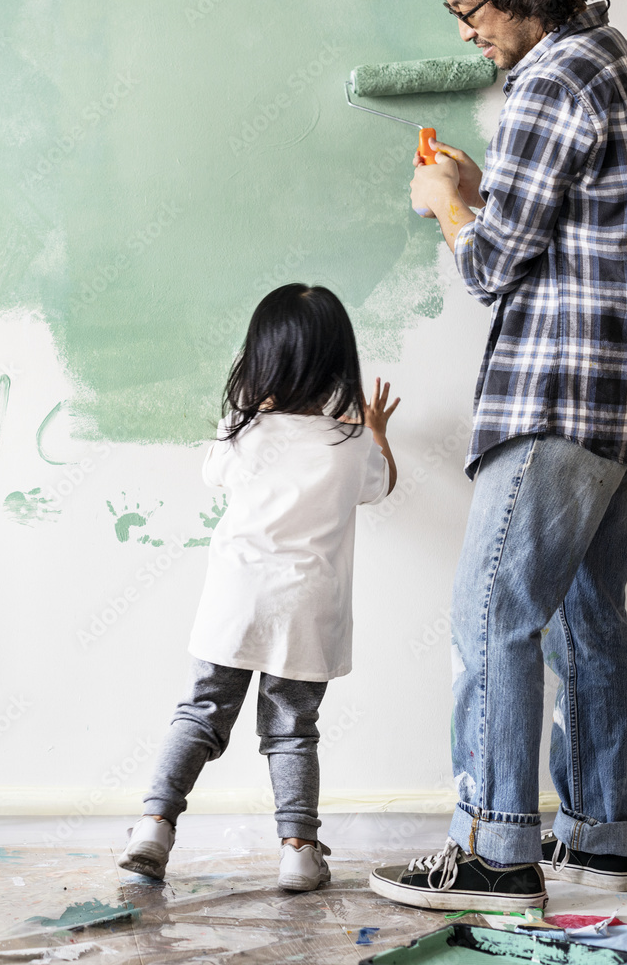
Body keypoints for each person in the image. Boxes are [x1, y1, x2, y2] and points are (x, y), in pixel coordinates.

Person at [370, 0, 627, 912]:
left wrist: (446, 206)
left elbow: (497, 263)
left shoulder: (548, 80)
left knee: (492, 615)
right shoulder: (609, 59)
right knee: (587, 624)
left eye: (468, 8)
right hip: (623, 402)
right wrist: (480, 185)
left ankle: (494, 853)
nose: (464, 31)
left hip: (556, 394)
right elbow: (568, 223)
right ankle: (598, 840)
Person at [119, 283, 399, 892]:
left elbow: (212, 472)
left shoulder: (243, 432)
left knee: (200, 714)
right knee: (292, 728)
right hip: (307, 609)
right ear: (337, 361)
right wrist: (375, 431)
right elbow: (381, 488)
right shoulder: (348, 443)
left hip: (235, 602)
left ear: (262, 358)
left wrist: (255, 412)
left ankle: (153, 826)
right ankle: (298, 852)